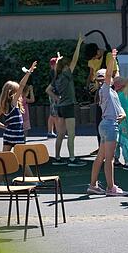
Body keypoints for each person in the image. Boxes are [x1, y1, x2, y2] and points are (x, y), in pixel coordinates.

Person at [87, 49, 128, 197]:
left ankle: (93, 185)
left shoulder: (110, 92)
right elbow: (110, 74)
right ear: (105, 79)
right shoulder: (105, 88)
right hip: (110, 126)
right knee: (109, 159)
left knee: (101, 156)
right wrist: (113, 58)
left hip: (106, 125)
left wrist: (122, 114)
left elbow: (119, 109)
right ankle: (111, 188)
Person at [47, 35, 87, 167]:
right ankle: (71, 159)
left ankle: (57, 158)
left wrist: (56, 98)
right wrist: (79, 44)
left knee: (60, 134)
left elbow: (48, 90)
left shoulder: (56, 77)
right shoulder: (66, 74)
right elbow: (75, 59)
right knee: (71, 133)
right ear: (65, 66)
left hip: (60, 108)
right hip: (68, 106)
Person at [0, 61, 37, 155]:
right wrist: (28, 73)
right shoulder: (13, 102)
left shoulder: (3, 106)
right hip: (18, 135)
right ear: (13, 93)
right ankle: (26, 170)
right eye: (17, 92)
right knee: (22, 160)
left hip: (8, 135)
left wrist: (4, 127)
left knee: (4, 157)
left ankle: (1, 169)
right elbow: (22, 85)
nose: (19, 94)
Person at [85, 39, 119, 154]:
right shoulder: (91, 60)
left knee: (108, 119)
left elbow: (113, 74)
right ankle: (101, 147)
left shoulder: (108, 56)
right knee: (99, 120)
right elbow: (91, 75)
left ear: (98, 52)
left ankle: (110, 148)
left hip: (108, 91)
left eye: (94, 57)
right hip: (99, 93)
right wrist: (88, 86)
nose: (93, 60)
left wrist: (102, 83)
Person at [47, 54, 60, 139]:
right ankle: (58, 132)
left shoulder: (55, 72)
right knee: (55, 114)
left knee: (53, 114)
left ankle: (50, 132)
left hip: (55, 94)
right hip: (53, 94)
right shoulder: (53, 72)